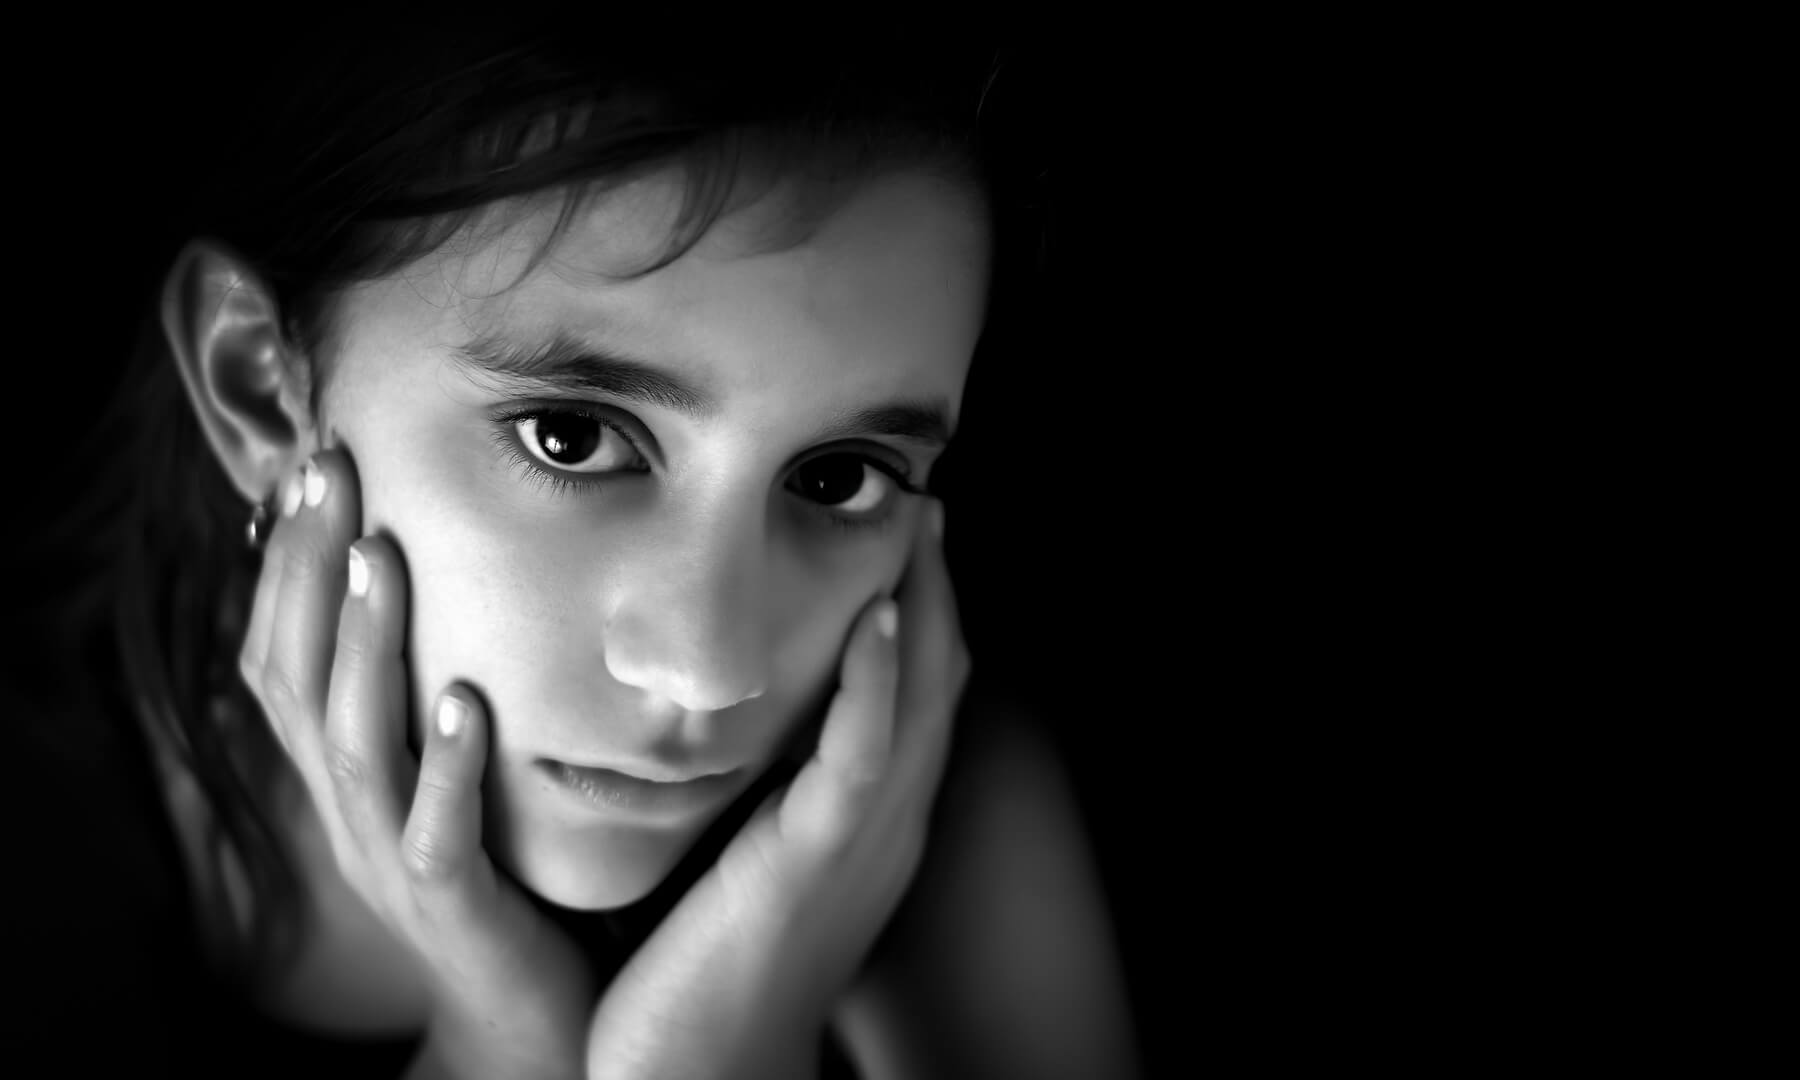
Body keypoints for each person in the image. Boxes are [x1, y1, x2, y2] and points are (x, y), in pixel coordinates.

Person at [14, 25, 1140, 1079]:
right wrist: (499, 1050)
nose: (709, 670)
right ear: (262, 387)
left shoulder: (932, 818)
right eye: (575, 437)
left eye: (838, 477)